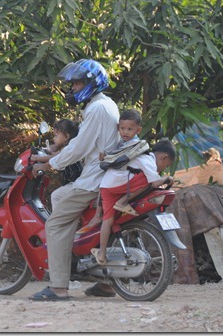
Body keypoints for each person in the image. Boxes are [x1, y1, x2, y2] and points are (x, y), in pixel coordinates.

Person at [29, 59, 121, 301]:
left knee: (56, 225)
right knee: (59, 196)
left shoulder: (97, 109)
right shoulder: (104, 105)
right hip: (101, 175)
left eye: (78, 83)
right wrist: (52, 154)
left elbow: (80, 147)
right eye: (73, 84)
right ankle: (104, 281)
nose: (73, 89)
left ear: (92, 83)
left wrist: (50, 164)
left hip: (95, 179)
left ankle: (58, 287)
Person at [91, 137, 176, 264]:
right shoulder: (148, 160)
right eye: (167, 165)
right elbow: (154, 183)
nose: (164, 168)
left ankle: (102, 253)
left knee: (107, 221)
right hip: (116, 186)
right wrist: (167, 178)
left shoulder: (143, 157)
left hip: (107, 187)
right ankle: (122, 202)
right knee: (149, 181)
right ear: (163, 157)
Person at [31, 119, 83, 185]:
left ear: (66, 136)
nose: (54, 138)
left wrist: (36, 158)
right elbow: (57, 154)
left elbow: (56, 157)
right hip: (72, 176)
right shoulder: (69, 146)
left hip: (74, 177)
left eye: (56, 135)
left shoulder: (69, 148)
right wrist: (49, 152)